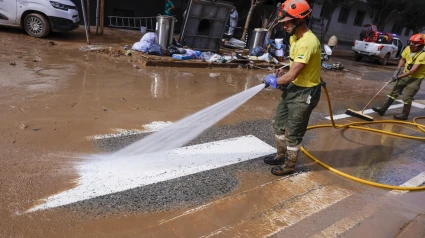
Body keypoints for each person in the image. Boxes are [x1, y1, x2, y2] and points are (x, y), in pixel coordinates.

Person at [263, 0, 321, 176]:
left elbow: (293, 75)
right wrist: (284, 70)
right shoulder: (294, 38)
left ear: (299, 20)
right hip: (294, 87)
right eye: (284, 22)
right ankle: (280, 156)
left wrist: (274, 81)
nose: (285, 26)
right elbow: (294, 67)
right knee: (278, 123)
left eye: (288, 22)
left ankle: (289, 165)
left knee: (294, 133)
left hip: (305, 93)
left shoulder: (308, 42)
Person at [372, 33, 425, 120]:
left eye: (414, 45)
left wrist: (398, 77)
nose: (411, 46)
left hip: (415, 78)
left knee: (407, 96)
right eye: (410, 43)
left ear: (420, 46)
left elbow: (413, 71)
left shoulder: (423, 55)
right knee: (393, 92)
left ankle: (405, 115)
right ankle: (382, 109)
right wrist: (398, 69)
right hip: (405, 74)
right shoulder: (408, 48)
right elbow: (402, 59)